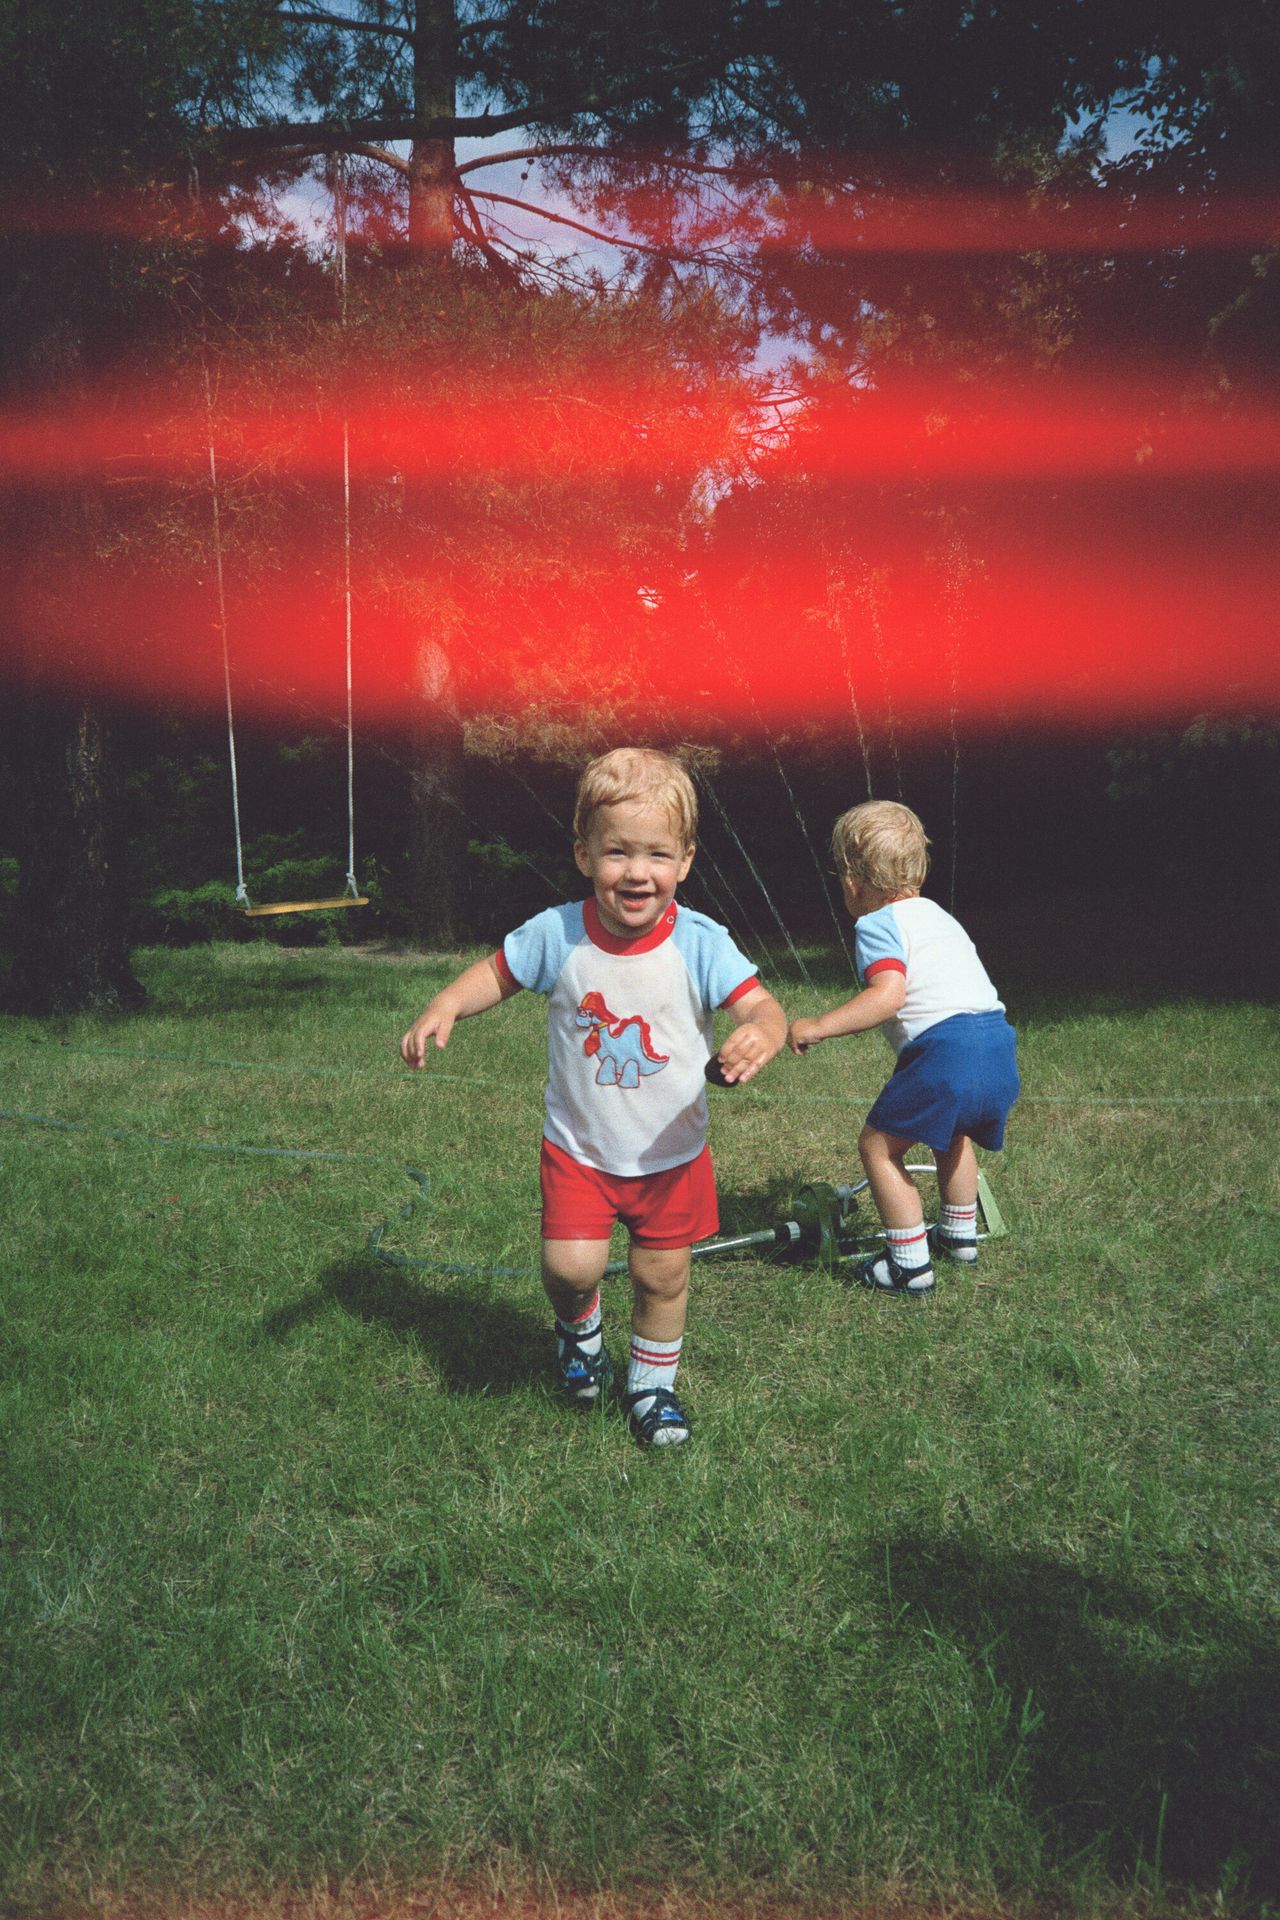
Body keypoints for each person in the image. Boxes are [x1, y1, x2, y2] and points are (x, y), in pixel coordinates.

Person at [401, 747, 788, 1445]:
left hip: (670, 1154)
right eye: (617, 853)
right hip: (579, 1148)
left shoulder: (701, 943)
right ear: (584, 855)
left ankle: (650, 1389)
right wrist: (446, 1005)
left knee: (662, 1278)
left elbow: (764, 1007)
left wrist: (760, 1031)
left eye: (657, 855)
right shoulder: (560, 933)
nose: (637, 872)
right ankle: (579, 1333)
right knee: (570, 1269)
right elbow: (498, 972)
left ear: (687, 861)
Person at [787, 800, 1018, 1297]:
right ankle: (959, 1237)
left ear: (852, 883)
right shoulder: (941, 917)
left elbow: (888, 995)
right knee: (952, 1134)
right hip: (997, 1041)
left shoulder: (876, 925)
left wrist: (820, 1026)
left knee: (878, 1147)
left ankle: (909, 1265)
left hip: (946, 1051)